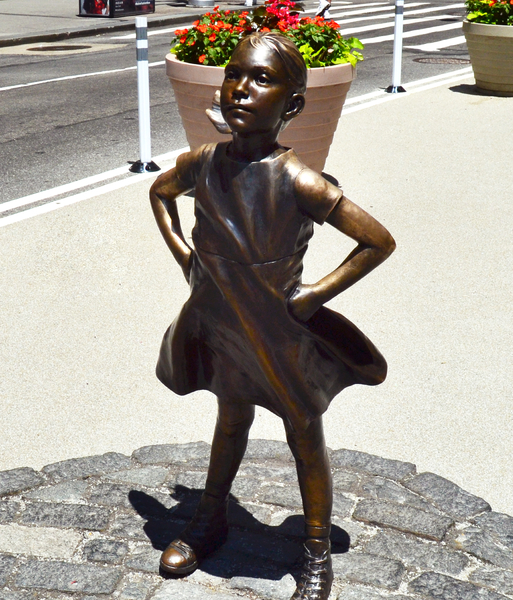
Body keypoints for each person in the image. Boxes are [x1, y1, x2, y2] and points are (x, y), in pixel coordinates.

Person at [149, 32, 395, 600]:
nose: (239, 88)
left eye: (261, 79)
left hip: (278, 333)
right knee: (229, 418)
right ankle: (210, 518)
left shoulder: (298, 180)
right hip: (220, 321)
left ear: (294, 104)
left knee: (303, 433)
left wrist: (316, 295)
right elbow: (160, 195)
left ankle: (313, 550)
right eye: (234, 74)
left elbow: (377, 241)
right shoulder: (202, 162)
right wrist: (187, 257)